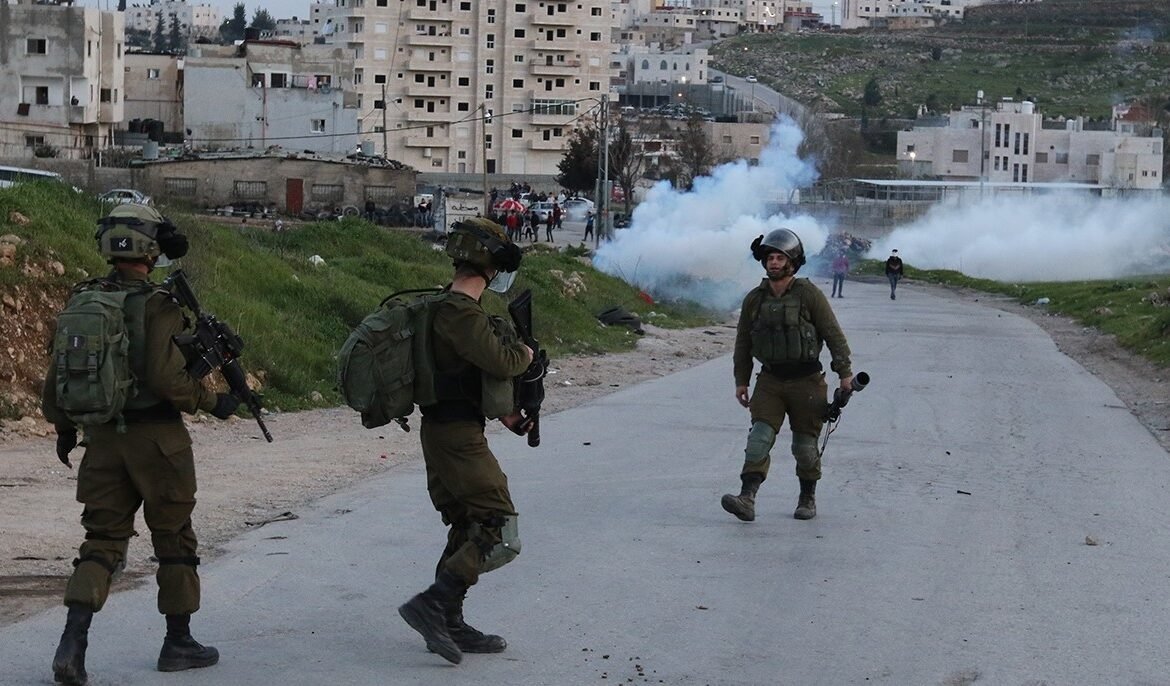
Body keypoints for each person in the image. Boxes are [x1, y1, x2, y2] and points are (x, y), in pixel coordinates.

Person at [43, 204, 240, 686]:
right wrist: (215, 402)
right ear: (151, 248)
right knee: (174, 540)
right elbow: (167, 380)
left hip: (104, 439)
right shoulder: (161, 304)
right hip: (158, 442)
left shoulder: (84, 300)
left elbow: (58, 379)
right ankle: (178, 643)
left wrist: (65, 428)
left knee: (102, 542)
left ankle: (72, 643)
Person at [398, 218, 535, 665]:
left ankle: (450, 621)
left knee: (467, 524)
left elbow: (469, 376)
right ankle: (433, 604)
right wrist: (527, 354)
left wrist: (509, 414)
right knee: (496, 523)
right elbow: (501, 360)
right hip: (455, 436)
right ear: (491, 267)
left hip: (448, 429)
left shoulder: (444, 307)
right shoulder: (460, 312)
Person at [721, 228, 854, 523]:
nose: (774, 262)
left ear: (792, 262)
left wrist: (845, 374)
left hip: (807, 381)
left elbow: (833, 334)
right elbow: (743, 343)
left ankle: (807, 497)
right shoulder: (754, 299)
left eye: (780, 257)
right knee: (759, 436)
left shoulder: (809, 295)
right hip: (770, 380)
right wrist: (741, 380)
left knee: (805, 446)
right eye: (770, 257)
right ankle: (747, 497)